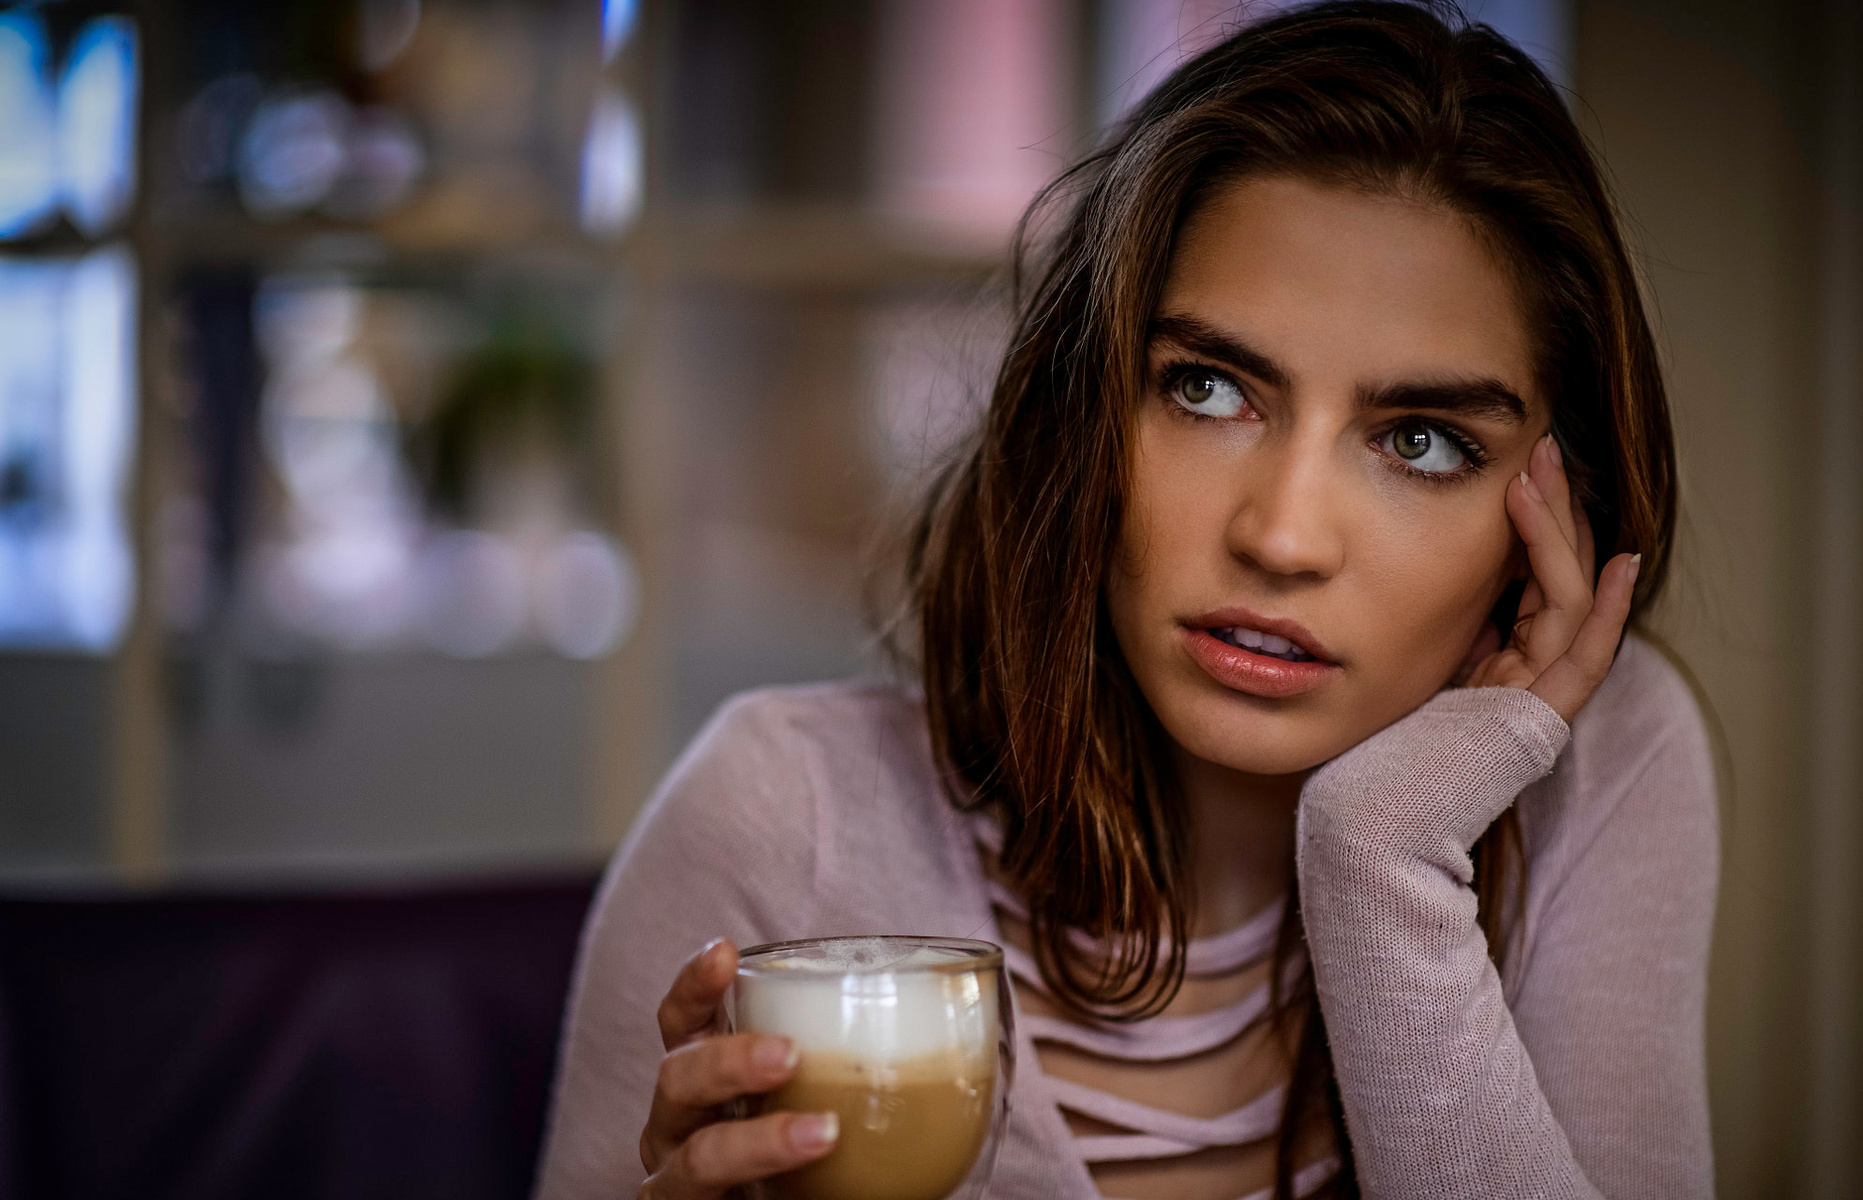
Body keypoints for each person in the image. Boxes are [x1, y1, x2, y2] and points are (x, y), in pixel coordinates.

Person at [534, 3, 1718, 1197]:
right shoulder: (788, 822)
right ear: (1082, 408)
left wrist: (1382, 859)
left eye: (1420, 439)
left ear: (1550, 519)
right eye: (1206, 390)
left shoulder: (1597, 762)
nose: (1283, 536)